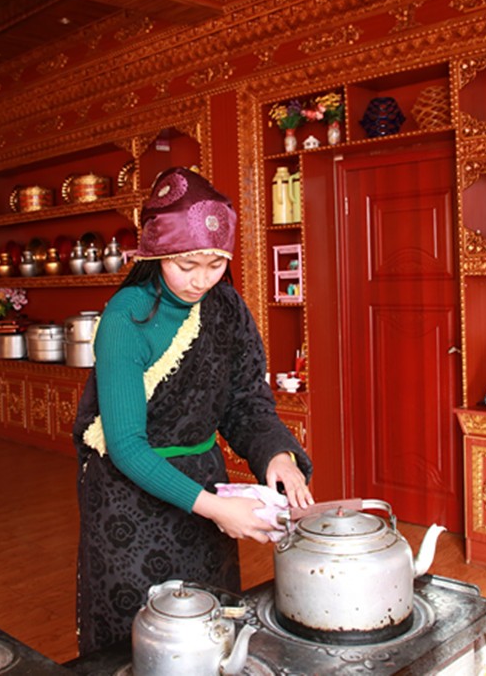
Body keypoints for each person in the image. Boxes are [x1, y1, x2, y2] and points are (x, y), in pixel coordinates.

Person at [72, 166, 313, 655]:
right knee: (138, 638)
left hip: (205, 484)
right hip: (129, 502)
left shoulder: (227, 308)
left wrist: (278, 457)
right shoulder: (126, 317)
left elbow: (247, 401)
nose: (201, 280)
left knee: (212, 627)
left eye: (215, 264)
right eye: (187, 265)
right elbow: (126, 447)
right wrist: (218, 509)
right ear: (156, 253)